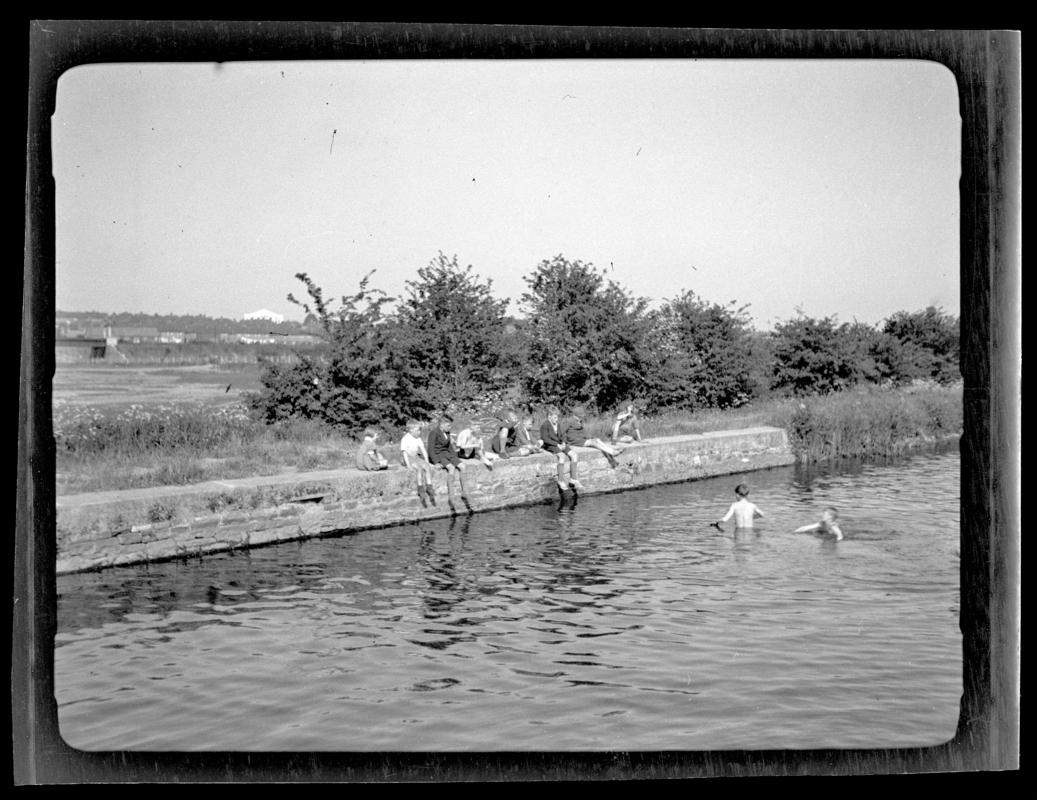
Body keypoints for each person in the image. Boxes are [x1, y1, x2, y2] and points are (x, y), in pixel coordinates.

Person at [427, 415, 473, 511]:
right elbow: (430, 449)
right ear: (442, 425)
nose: (450, 428)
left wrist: (455, 458)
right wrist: (435, 462)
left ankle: (465, 492)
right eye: (448, 426)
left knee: (463, 466)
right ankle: (451, 497)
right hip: (438, 455)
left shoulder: (447, 432)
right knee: (451, 468)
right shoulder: (434, 433)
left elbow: (449, 447)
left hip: (447, 454)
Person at [540, 405, 582, 492]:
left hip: (559, 444)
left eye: (557, 417)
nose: (557, 419)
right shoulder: (545, 425)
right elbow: (545, 439)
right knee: (562, 456)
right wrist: (556, 445)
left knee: (574, 455)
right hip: (550, 445)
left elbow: (562, 435)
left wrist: (563, 442)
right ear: (549, 416)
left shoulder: (557, 424)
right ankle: (561, 480)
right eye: (555, 417)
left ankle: (573, 479)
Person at [400, 419, 436, 507]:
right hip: (408, 458)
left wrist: (427, 461)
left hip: (416, 456)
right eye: (417, 430)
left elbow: (423, 450)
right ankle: (420, 488)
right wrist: (408, 465)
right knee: (419, 469)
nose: (419, 432)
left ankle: (429, 486)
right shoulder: (405, 439)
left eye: (420, 430)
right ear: (411, 430)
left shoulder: (418, 439)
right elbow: (404, 452)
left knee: (426, 467)